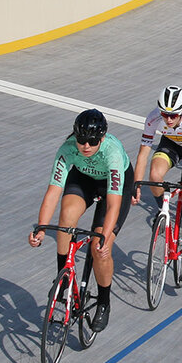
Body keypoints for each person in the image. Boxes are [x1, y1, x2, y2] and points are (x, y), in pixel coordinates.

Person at [28, 109, 133, 332]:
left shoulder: (112, 152)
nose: (86, 146)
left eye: (92, 141)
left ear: (102, 138)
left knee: (99, 248)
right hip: (84, 177)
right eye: (81, 140)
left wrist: (104, 238)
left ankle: (103, 302)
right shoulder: (67, 149)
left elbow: (113, 205)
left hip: (113, 186)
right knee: (66, 216)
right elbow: (53, 192)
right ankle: (63, 276)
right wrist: (41, 228)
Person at [133, 86, 182, 285]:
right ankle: (163, 211)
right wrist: (136, 185)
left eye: (173, 115)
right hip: (171, 144)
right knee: (154, 175)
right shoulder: (153, 118)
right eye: (165, 115)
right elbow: (143, 154)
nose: (169, 119)